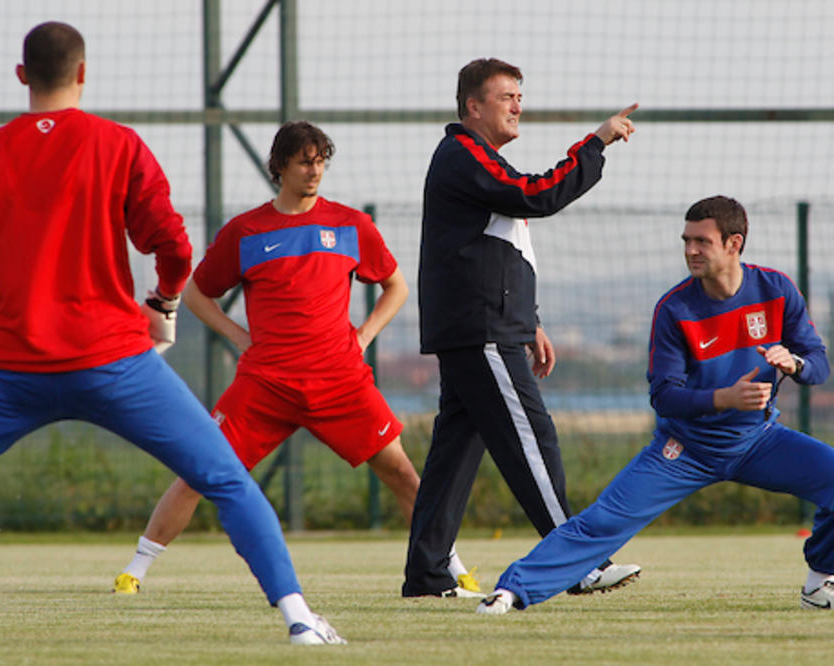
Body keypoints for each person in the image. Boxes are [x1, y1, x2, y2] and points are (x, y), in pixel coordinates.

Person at [0, 22, 345, 646]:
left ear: (22, 76)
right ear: (82, 74)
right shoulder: (117, 145)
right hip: (114, 363)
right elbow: (174, 248)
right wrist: (161, 301)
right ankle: (298, 619)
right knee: (225, 479)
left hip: (6, 375)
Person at [114, 120, 480, 598]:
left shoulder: (351, 225)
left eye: (321, 160)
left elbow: (396, 286)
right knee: (200, 468)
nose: (315, 170)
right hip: (266, 384)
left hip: (340, 381)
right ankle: (134, 572)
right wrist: (238, 337)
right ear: (280, 166)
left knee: (404, 474)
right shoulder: (245, 231)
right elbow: (199, 293)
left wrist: (365, 334)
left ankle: (453, 569)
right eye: (305, 160)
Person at [477, 195, 834, 615]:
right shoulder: (674, 308)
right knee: (605, 520)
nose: (690, 250)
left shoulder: (776, 290)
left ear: (734, 243)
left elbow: (819, 365)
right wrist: (725, 399)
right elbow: (663, 397)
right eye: (686, 240)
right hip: (685, 450)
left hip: (758, 440)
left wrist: (793, 362)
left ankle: (818, 582)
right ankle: (512, 591)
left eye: (702, 241)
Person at [403, 57, 641, 598]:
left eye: (519, 97)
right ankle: (574, 560)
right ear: (473, 106)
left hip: (487, 326)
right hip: (482, 330)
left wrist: (529, 321)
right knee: (533, 438)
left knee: (454, 455)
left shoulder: (478, 162)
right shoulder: (463, 153)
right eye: (506, 96)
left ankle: (427, 575)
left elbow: (502, 245)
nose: (517, 106)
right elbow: (536, 193)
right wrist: (595, 144)